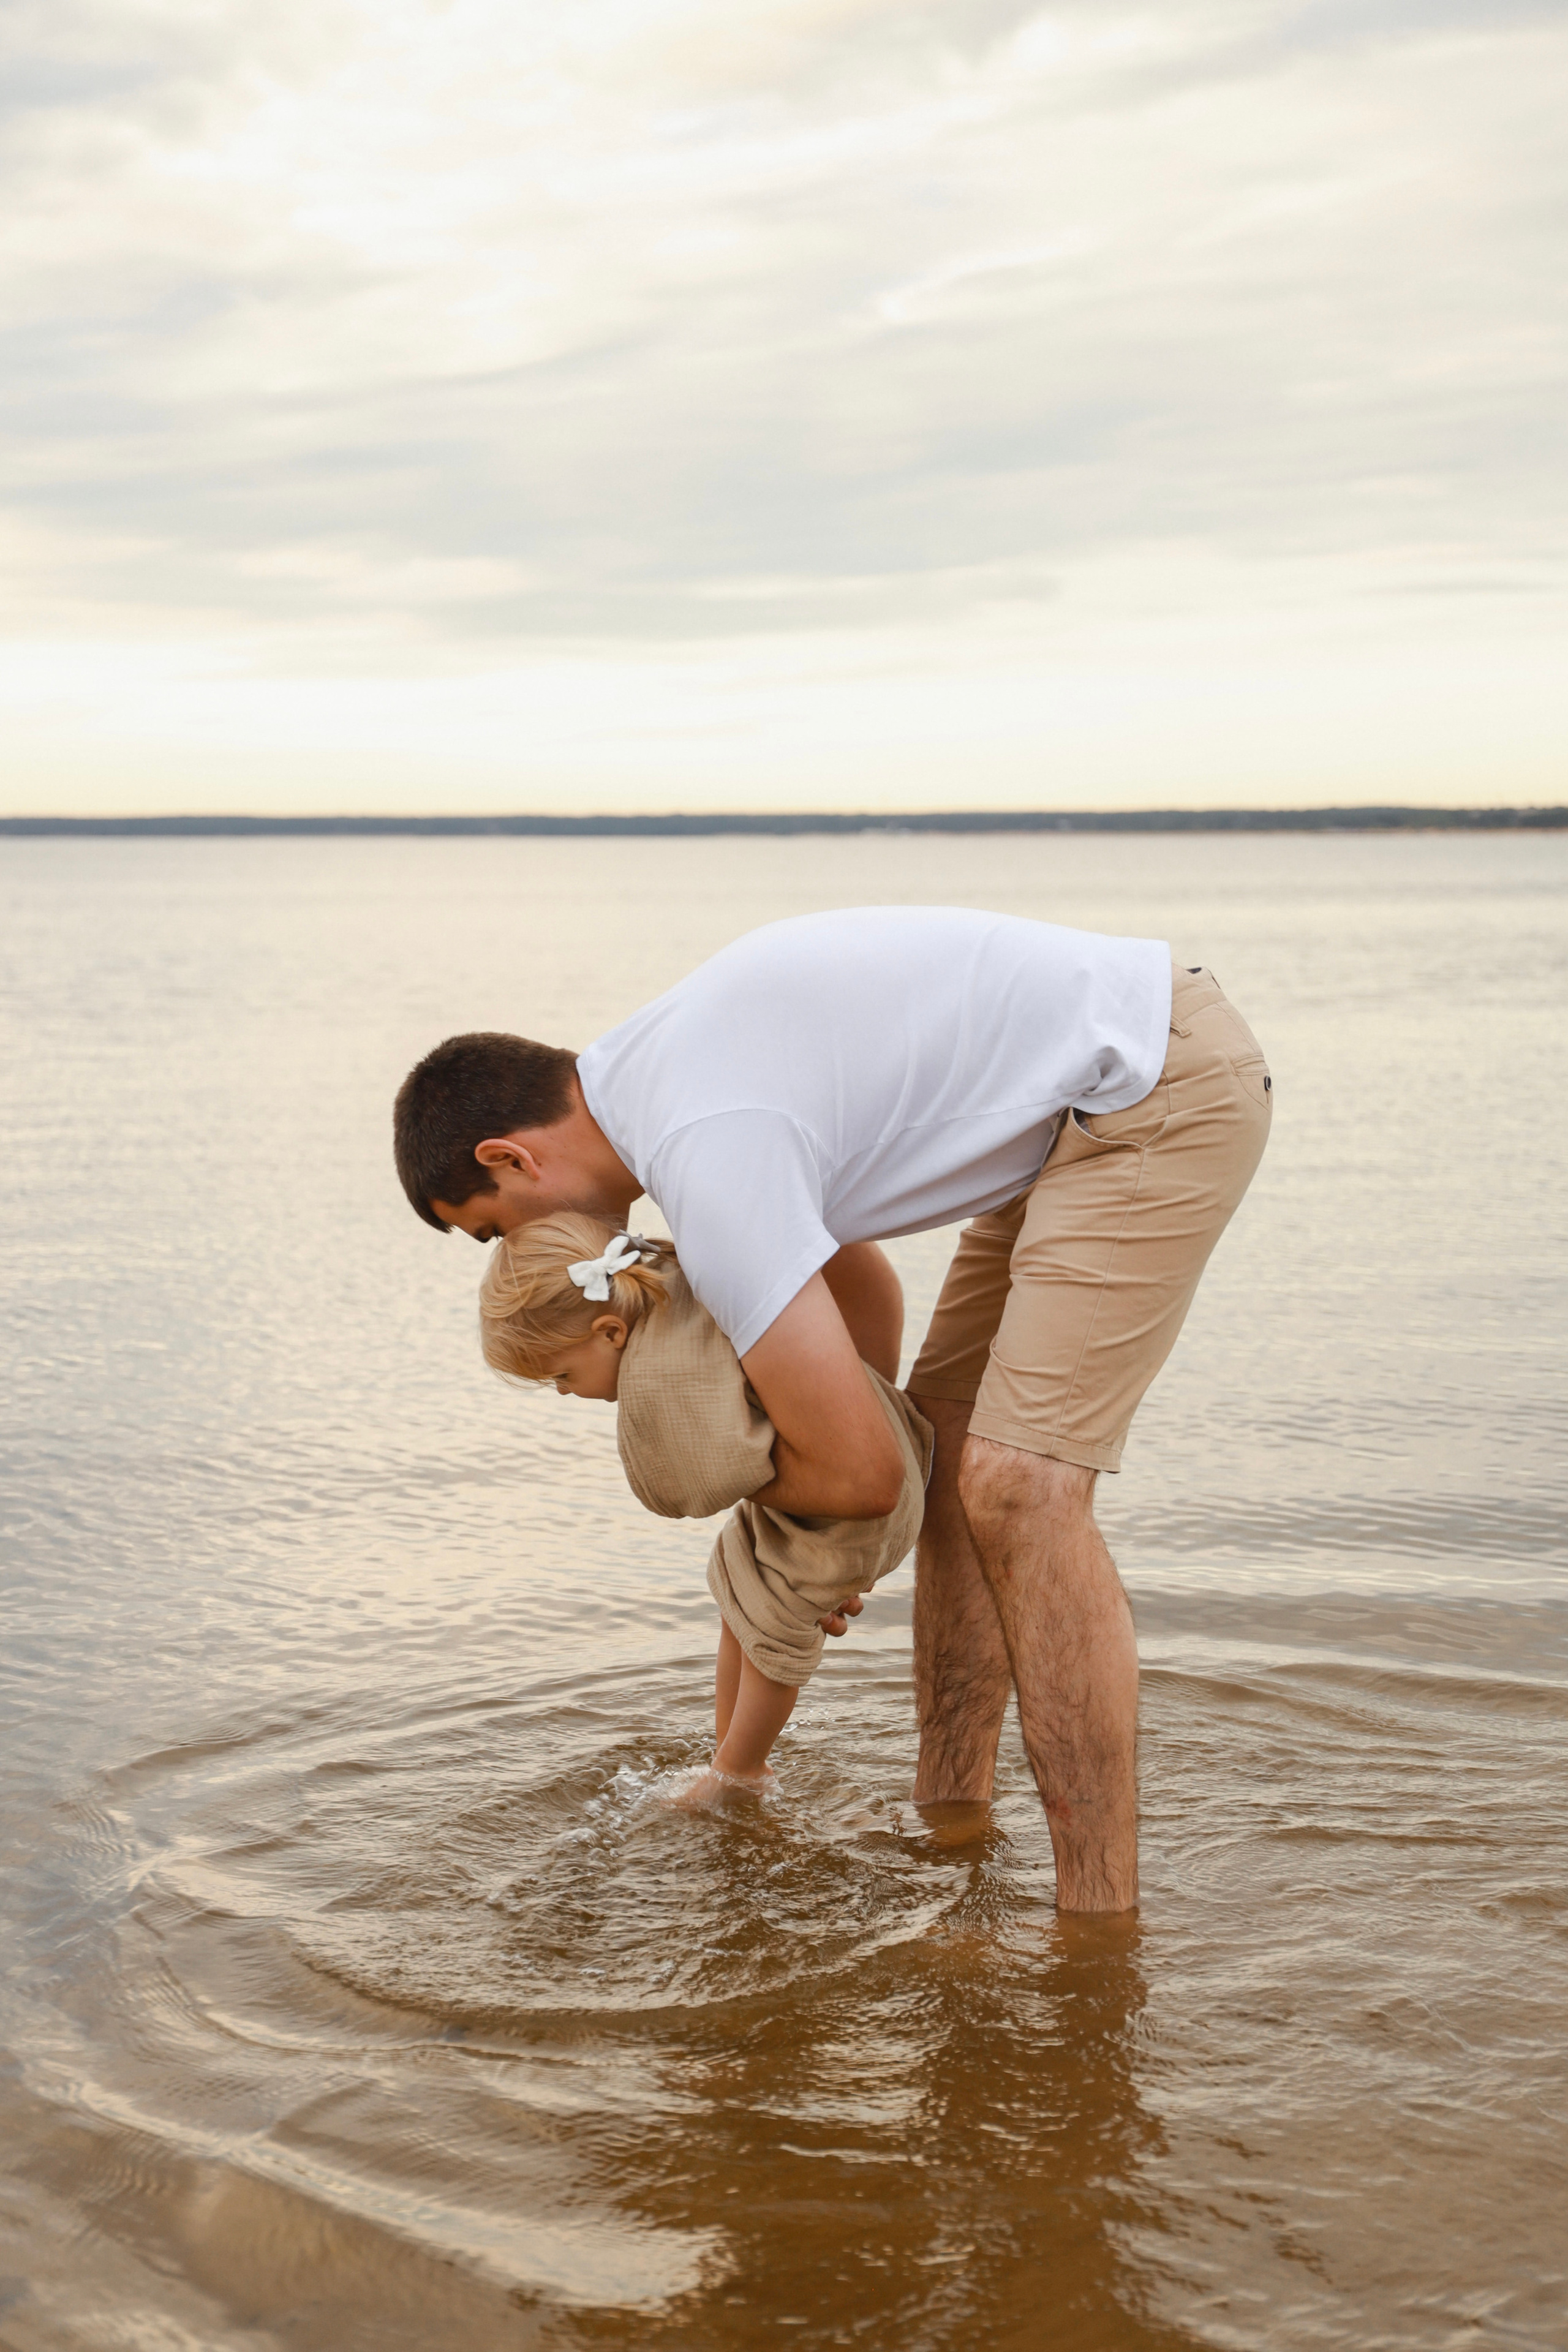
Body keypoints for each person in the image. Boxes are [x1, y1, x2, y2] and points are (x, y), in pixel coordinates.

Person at [394, 906, 1272, 1910]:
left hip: (1153, 1086)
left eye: (489, 1229)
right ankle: (956, 1824)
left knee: (1019, 1489)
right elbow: (868, 1330)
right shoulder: (659, 1088)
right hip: (1067, 1120)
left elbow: (862, 1471)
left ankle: (1096, 1929)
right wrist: (834, 1513)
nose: (514, 1254)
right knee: (952, 1463)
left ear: (509, 1159)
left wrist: (831, 1507)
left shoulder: (703, 1149)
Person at [477, 1212, 932, 1803]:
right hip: (855, 1452)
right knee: (737, 1588)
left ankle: (741, 1771)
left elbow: (700, 1479)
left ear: (612, 1333)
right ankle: (727, 1756)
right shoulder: (677, 1289)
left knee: (776, 1624)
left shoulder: (662, 1370)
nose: (565, 1392)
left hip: (851, 1493)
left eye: (563, 1375)